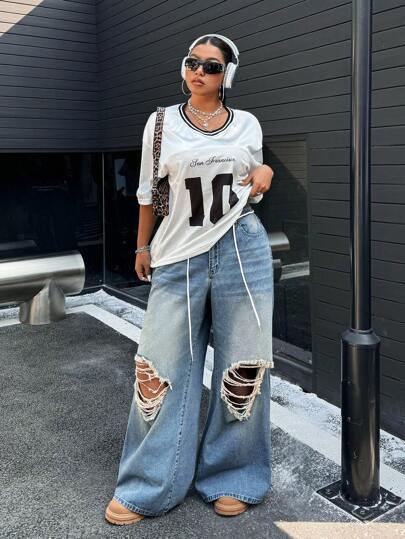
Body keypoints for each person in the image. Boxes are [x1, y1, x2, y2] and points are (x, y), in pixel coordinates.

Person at [105, 33, 274, 526]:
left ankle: (234, 475)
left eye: (212, 66)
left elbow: (253, 184)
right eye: (192, 62)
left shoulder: (247, 123)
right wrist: (142, 247)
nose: (199, 71)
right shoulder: (160, 123)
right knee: (157, 368)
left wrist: (265, 171)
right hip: (178, 254)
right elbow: (146, 192)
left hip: (241, 246)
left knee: (243, 366)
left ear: (227, 76)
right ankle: (150, 483)